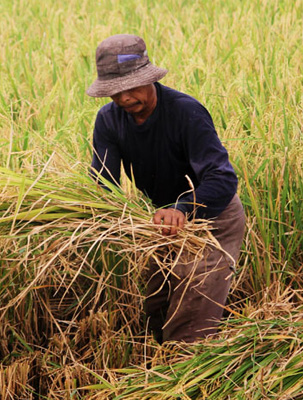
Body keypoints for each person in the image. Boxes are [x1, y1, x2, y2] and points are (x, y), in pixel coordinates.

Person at [87, 34, 246, 343]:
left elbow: (222, 178)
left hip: (211, 213)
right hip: (162, 219)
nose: (124, 99)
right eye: (115, 92)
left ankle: (183, 371)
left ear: (149, 78)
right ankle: (159, 356)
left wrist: (183, 208)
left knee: (194, 292)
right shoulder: (108, 120)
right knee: (157, 300)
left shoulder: (185, 113)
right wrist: (92, 213)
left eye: (131, 87)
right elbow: (103, 180)